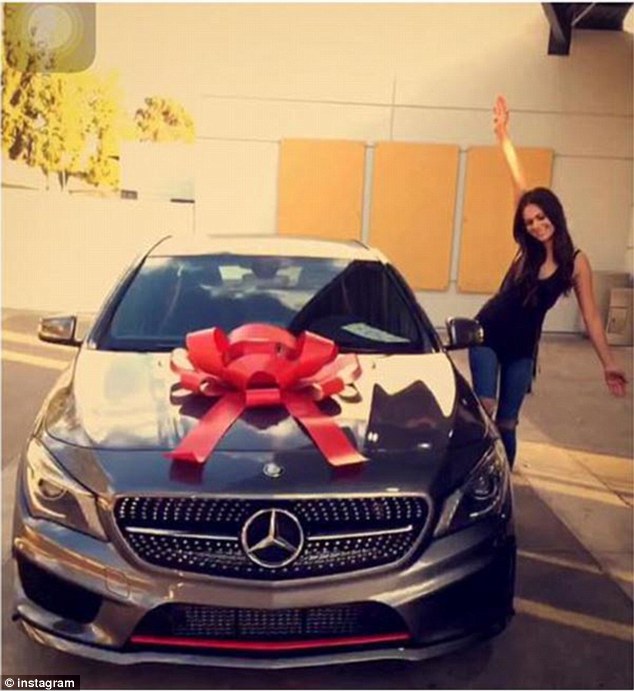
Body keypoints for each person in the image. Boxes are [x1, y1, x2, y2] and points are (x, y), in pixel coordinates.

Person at [469, 95, 628, 468]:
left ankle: (503, 483)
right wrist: (503, 135)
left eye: (541, 217)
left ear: (554, 215)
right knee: (486, 408)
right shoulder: (527, 249)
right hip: (487, 333)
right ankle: (478, 478)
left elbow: (591, 317)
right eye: (529, 221)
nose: (536, 225)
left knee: (508, 423)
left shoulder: (576, 263)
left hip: (523, 348)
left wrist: (608, 363)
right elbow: (518, 181)